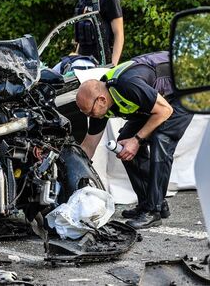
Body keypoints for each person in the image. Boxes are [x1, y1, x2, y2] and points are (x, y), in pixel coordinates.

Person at [75, 51, 194, 229]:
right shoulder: (101, 100)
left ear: (101, 100)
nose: (90, 116)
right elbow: (88, 146)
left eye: (90, 112)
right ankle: (149, 203)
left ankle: (153, 211)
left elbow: (165, 111)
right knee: (124, 142)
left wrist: (137, 140)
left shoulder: (127, 86)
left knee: (161, 140)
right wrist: (74, 175)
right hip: (160, 98)